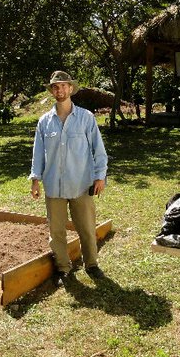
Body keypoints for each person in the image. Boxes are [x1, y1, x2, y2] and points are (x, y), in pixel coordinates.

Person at [29, 70, 108, 287]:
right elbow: (38, 153)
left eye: (63, 86)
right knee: (56, 231)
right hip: (53, 185)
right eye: (55, 87)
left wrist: (100, 176)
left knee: (87, 227)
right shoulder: (44, 122)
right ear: (52, 91)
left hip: (81, 184)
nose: (60, 90)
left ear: (71, 88)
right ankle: (64, 268)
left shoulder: (86, 118)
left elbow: (98, 150)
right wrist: (35, 179)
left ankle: (92, 264)